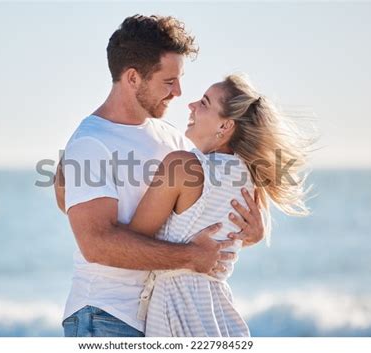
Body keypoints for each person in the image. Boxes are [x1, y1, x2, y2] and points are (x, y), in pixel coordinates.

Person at [54, 15, 265, 337]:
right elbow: (96, 244)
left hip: (160, 318)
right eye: (169, 82)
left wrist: (250, 232)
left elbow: (195, 222)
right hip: (105, 315)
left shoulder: (173, 138)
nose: (179, 92)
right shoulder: (91, 143)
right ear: (133, 78)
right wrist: (191, 257)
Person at [125, 75, 312, 336]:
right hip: (219, 313)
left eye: (204, 103)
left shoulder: (182, 166)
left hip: (178, 311)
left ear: (225, 126)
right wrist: (254, 238)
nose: (191, 106)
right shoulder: (248, 178)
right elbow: (226, 236)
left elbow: (131, 243)